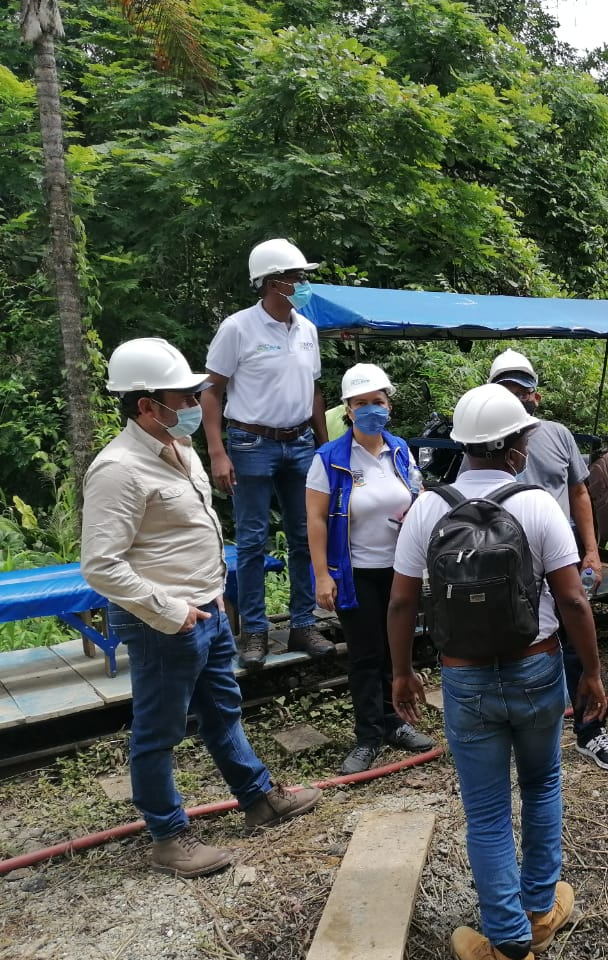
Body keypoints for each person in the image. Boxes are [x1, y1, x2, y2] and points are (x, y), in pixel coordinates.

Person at [83, 339, 321, 878]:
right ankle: (168, 837)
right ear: (147, 405)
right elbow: (101, 565)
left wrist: (212, 594)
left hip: (205, 609)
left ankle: (258, 799)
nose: (195, 405)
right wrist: (172, 610)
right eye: (184, 398)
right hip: (162, 622)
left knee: (222, 711)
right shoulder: (118, 469)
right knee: (159, 730)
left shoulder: (181, 448)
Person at [386, 384, 605, 960]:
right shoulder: (537, 505)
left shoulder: (428, 508)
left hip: (465, 678)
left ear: (463, 445)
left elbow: (402, 603)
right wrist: (592, 672)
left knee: (485, 812)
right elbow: (573, 599)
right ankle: (539, 910)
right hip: (537, 666)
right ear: (514, 448)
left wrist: (402, 672)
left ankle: (506, 941)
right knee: (542, 784)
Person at [486, 350, 608, 773]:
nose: (516, 397)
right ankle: (520, 733)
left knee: (577, 639)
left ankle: (590, 729)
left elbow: (579, 492)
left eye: (522, 390)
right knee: (513, 643)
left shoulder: (558, 435)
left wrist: (592, 550)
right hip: (508, 559)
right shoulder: (482, 439)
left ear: (536, 396)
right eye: (506, 390)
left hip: (561, 554)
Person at [200, 238, 334, 670]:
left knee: (304, 534)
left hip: (300, 442)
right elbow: (211, 390)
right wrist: (217, 452)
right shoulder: (238, 328)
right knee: (253, 540)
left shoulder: (306, 329)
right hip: (251, 442)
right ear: (273, 282)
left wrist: (323, 444)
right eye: (298, 277)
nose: (304, 284)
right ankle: (254, 632)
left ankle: (302, 623)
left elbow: (314, 391)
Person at [305, 363, 434, 775]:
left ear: (388, 406)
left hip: (400, 569)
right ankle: (368, 735)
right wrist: (322, 575)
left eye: (377, 401)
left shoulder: (399, 449)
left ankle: (396, 722)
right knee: (365, 654)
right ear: (348, 409)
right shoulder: (329, 458)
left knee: (397, 649)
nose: (370, 409)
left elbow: (416, 491)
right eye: (360, 403)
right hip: (355, 571)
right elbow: (315, 519)